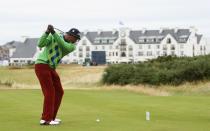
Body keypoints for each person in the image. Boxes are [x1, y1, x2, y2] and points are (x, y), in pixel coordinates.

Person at [35, 25, 80, 125]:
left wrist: (53, 33)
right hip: (42, 65)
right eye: (76, 38)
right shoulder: (53, 36)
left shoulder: (71, 46)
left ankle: (52, 117)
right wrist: (47, 32)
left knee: (59, 91)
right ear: (70, 35)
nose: (76, 41)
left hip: (51, 67)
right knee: (50, 92)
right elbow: (40, 44)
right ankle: (46, 119)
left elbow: (62, 44)